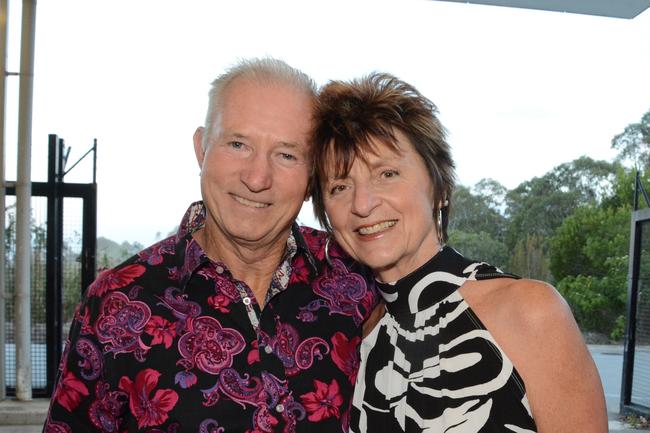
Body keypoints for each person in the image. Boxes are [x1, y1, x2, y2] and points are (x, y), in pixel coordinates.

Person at [43, 58, 378, 433]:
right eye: (237, 144)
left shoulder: (357, 279)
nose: (256, 177)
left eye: (287, 154)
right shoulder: (117, 302)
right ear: (202, 148)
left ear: (312, 172)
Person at [310, 73, 608, 433]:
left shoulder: (529, 311)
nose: (362, 203)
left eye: (387, 173)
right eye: (340, 185)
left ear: (440, 188)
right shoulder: (363, 335)